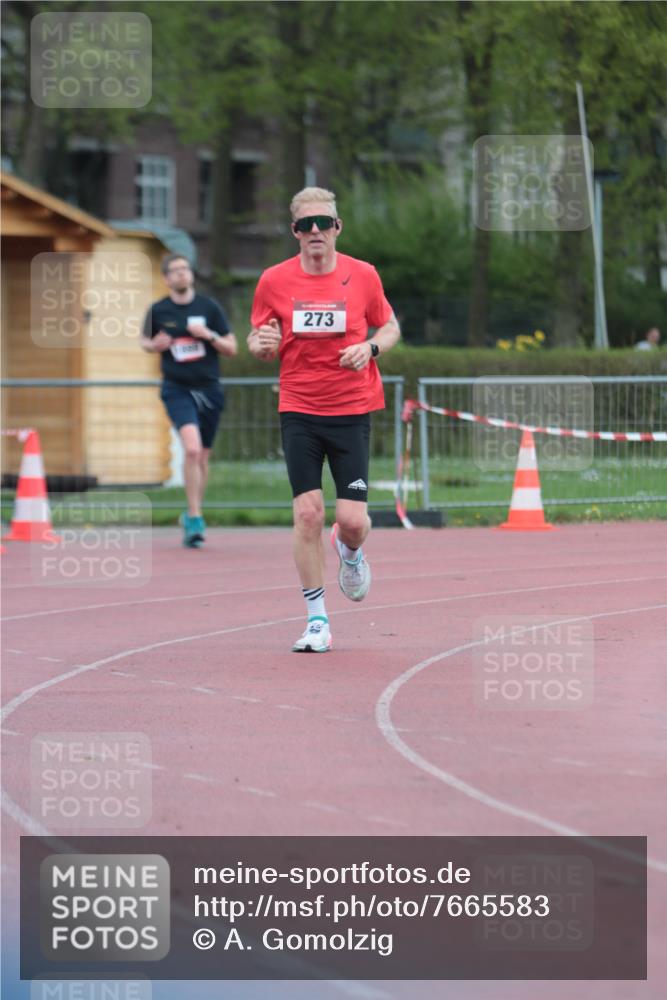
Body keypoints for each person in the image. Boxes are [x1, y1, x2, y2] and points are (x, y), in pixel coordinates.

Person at [248, 186, 401, 652]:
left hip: (352, 408)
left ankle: (350, 551)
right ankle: (317, 619)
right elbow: (257, 339)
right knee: (307, 513)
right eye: (305, 225)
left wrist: (369, 348)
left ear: (337, 227)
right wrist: (263, 346)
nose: (315, 232)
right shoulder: (273, 280)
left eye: (323, 223)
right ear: (295, 232)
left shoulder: (363, 275)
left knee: (352, 520)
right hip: (299, 407)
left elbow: (390, 326)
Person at [141, 254, 237, 547]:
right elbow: (145, 341)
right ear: (167, 278)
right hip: (177, 388)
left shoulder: (209, 307)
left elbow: (231, 347)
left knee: (202, 456)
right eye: (175, 270)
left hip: (209, 390)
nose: (182, 274)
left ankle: (191, 512)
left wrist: (208, 335)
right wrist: (154, 345)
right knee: (192, 450)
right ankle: (195, 517)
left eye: (185, 269)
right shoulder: (158, 309)